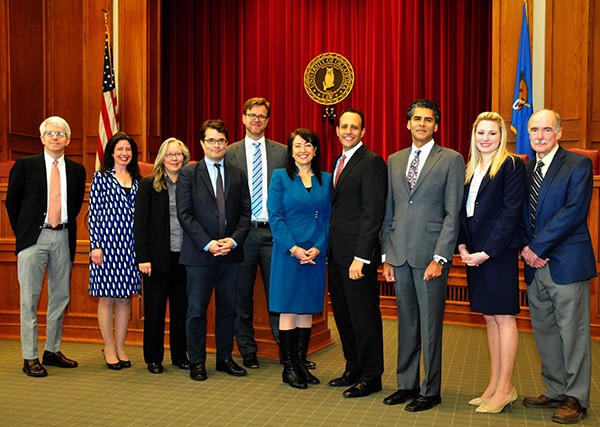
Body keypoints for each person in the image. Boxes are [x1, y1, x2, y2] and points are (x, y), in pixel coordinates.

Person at [380, 99, 464, 411]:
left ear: (436, 126)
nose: (421, 124)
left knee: (430, 326)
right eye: (416, 119)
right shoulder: (394, 159)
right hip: (399, 255)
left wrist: (440, 257)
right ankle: (406, 384)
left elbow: (452, 214)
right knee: (406, 324)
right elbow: (389, 210)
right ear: (408, 123)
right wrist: (386, 255)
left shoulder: (451, 159)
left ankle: (431, 390)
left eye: (428, 120)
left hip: (430, 257)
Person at [520, 109, 596, 424]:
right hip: (535, 266)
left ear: (559, 133)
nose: (539, 136)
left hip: (566, 263)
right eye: (534, 130)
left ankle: (576, 397)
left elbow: (573, 212)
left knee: (573, 331)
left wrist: (537, 248)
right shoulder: (524, 168)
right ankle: (554, 388)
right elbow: (518, 211)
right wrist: (528, 250)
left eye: (546, 130)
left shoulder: (578, 165)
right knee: (545, 330)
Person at [6, 116, 86, 377]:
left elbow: (74, 207)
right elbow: (12, 202)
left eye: (61, 133)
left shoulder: (76, 170)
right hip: (33, 239)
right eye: (50, 133)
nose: (55, 137)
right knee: (29, 300)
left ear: (68, 140)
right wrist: (24, 232)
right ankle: (30, 356)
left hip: (62, 236)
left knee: (60, 297)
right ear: (42, 138)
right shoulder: (25, 165)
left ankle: (52, 350)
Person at [456, 112, 525, 413]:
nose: (486, 138)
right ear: (474, 136)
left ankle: (506, 387)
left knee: (504, 317)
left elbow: (511, 214)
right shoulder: (469, 168)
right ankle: (495, 384)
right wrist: (461, 244)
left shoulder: (511, 165)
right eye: (481, 133)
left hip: (497, 254)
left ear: (501, 137)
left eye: (492, 133)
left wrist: (487, 251)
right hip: (474, 254)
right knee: (489, 317)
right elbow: (462, 211)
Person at [177, 119, 251, 381]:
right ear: (202, 143)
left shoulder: (237, 173)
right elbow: (185, 215)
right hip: (199, 255)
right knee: (196, 310)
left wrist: (232, 241)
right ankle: (197, 361)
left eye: (220, 140)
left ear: (227, 143)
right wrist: (209, 244)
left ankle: (224, 358)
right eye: (211, 140)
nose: (216, 145)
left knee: (228, 309)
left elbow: (245, 214)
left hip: (231, 254)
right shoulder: (188, 173)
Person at [327, 108, 387, 398]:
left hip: (356, 258)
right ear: (337, 130)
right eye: (344, 126)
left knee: (364, 317)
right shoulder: (339, 160)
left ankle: (371, 375)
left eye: (355, 127)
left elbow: (372, 213)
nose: (348, 131)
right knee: (343, 315)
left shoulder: (372, 162)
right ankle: (353, 367)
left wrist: (361, 258)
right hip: (336, 254)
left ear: (363, 132)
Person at [225, 97, 289, 370]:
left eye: (262, 116)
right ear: (243, 118)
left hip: (274, 233)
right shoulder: (229, 152)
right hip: (242, 233)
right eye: (252, 115)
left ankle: (286, 349)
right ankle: (247, 349)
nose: (256, 120)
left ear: (268, 120)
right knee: (242, 293)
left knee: (280, 293)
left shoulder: (283, 152)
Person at [267, 128, 331, 389]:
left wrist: (318, 247)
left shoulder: (326, 179)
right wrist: (293, 249)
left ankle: (302, 365)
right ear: (290, 151)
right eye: (297, 146)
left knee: (307, 309)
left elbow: (328, 217)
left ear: (315, 150)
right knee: (288, 308)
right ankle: (289, 367)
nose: (302, 150)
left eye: (307, 145)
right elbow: (275, 215)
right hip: (288, 251)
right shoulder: (280, 176)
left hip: (314, 252)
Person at [134, 138, 191, 374]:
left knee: (181, 311)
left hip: (186, 257)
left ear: (184, 157)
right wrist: (143, 257)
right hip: (156, 259)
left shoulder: (192, 184)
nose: (175, 159)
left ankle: (180, 355)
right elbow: (140, 224)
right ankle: (154, 358)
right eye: (170, 155)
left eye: (178, 154)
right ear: (162, 158)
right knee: (155, 311)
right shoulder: (149, 185)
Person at [88, 131, 142, 370]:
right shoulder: (101, 178)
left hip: (131, 245)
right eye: (120, 149)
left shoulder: (139, 180)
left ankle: (121, 346)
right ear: (111, 152)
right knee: (107, 297)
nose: (124, 153)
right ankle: (108, 346)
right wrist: (96, 245)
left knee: (124, 298)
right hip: (107, 246)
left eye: (128, 149)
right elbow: (94, 214)